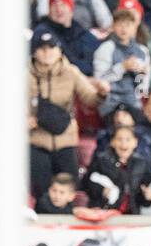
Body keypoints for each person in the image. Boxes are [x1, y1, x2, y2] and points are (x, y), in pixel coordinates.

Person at [29, 30, 108, 197]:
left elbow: (90, 99)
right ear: (34, 52)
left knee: (71, 188)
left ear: (59, 51)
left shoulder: (71, 72)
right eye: (42, 48)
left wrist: (101, 93)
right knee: (41, 190)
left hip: (65, 138)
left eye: (51, 48)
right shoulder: (22, 75)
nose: (47, 52)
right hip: (36, 140)